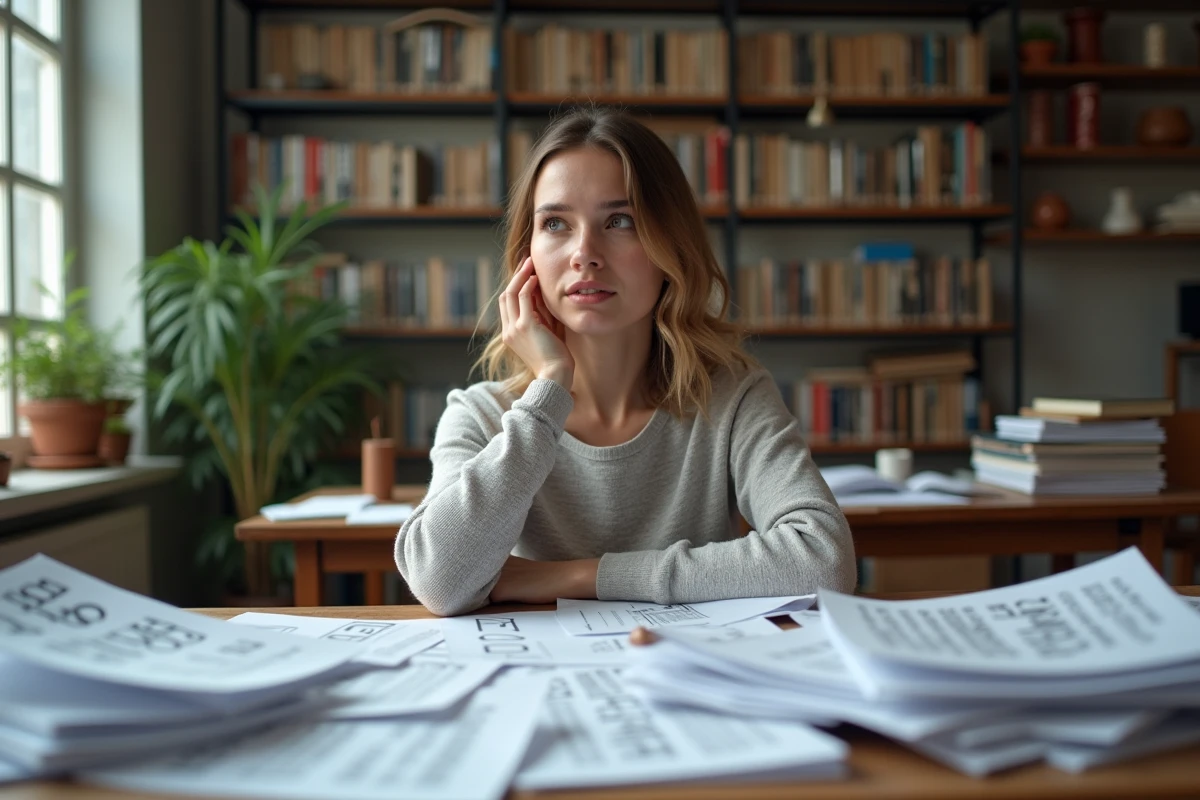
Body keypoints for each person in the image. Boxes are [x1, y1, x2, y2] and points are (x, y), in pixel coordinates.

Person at [394, 106, 855, 616]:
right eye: (555, 223)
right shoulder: (483, 415)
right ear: (527, 257)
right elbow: (439, 582)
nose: (584, 254)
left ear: (670, 245)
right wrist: (549, 390)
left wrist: (577, 577)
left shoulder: (732, 398)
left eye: (619, 221)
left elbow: (824, 561)